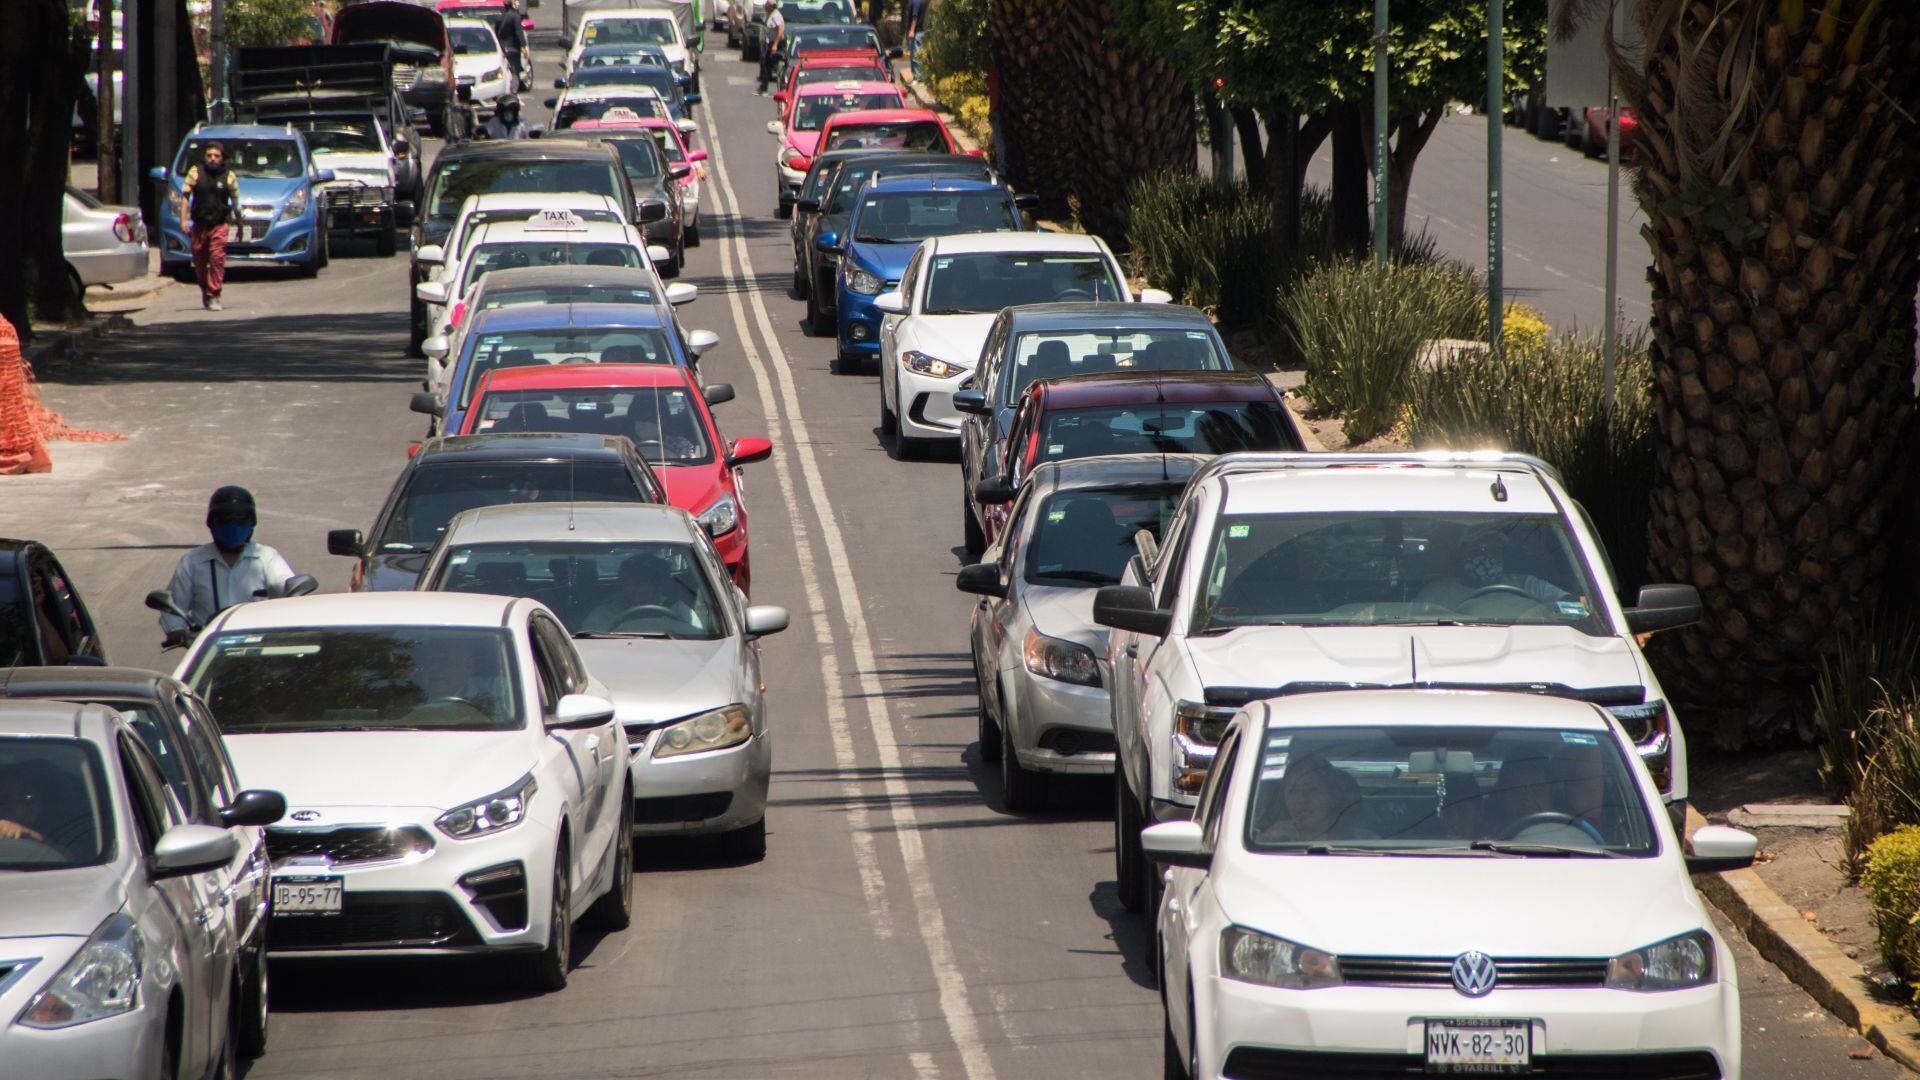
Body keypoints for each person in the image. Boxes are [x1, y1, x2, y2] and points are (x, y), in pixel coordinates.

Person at [161, 486, 296, 647]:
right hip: (210, 647)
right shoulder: (192, 562)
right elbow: (174, 606)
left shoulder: (266, 557)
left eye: (240, 519)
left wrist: (293, 593)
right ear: (212, 523)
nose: (232, 526)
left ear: (251, 523)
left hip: (260, 645)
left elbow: (287, 587)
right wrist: (177, 630)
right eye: (224, 520)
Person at [1415, 525, 1571, 610]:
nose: (1486, 556)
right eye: (1479, 549)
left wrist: (1544, 610)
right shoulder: (1436, 594)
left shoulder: (1528, 585)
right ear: (1462, 553)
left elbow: (1572, 606)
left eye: (1494, 550)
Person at [173, 142, 241, 311]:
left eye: (216, 156)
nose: (212, 159)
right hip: (199, 226)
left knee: (217, 259)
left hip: (219, 225)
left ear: (222, 158)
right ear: (204, 157)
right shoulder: (195, 172)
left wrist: (239, 223)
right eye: (209, 155)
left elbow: (236, 203)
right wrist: (183, 220)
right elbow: (185, 197)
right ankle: (205, 289)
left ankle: (214, 294)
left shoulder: (229, 176)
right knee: (199, 263)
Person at [756, 0, 785, 94]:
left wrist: (775, 45)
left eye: (767, 5)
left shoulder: (776, 16)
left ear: (772, 6)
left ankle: (780, 88)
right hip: (770, 43)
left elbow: (780, 31)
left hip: (776, 44)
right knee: (765, 65)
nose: (765, 6)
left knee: (772, 65)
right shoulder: (770, 15)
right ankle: (763, 87)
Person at [903, 0, 930, 81]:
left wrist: (911, 31)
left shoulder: (916, 1)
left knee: (916, 57)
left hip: (916, 32)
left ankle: (919, 77)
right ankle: (916, 76)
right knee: (914, 56)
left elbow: (915, 17)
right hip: (918, 32)